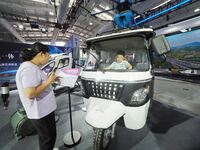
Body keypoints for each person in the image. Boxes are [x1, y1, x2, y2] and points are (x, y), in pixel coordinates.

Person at [16, 42, 58, 150]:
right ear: (41, 54)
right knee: (48, 139)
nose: (48, 58)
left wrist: (48, 80)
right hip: (40, 112)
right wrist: (48, 81)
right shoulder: (28, 69)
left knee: (45, 138)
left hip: (43, 110)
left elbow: (37, 84)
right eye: (48, 55)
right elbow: (30, 93)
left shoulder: (31, 66)